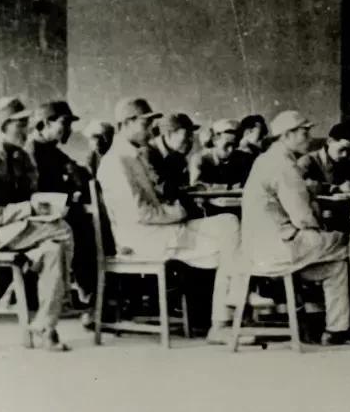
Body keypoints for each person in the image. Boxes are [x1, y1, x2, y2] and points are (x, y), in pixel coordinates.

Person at [98, 98, 242, 344]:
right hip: (144, 238)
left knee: (230, 227)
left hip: (158, 230)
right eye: (145, 124)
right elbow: (141, 213)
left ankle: (225, 313)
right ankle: (223, 319)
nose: (151, 130)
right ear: (126, 123)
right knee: (231, 238)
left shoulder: (133, 156)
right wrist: (180, 212)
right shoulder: (116, 161)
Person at [0, 97, 76, 350]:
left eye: (26, 123)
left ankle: (46, 326)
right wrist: (29, 208)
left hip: (13, 228)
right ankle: (64, 298)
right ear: (1, 127)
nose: (26, 129)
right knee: (62, 230)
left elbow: (29, 197)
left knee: (54, 249)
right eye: (20, 124)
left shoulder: (21, 156)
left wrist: (44, 206)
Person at [241, 111, 350, 345]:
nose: (309, 138)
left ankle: (335, 329)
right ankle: (336, 327)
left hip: (258, 249)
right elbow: (303, 218)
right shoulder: (283, 166)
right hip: (278, 249)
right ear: (287, 135)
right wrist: (320, 228)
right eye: (305, 132)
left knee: (336, 265)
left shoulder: (266, 159)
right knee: (345, 241)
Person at [24, 101, 94, 302]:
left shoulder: (50, 150)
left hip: (55, 210)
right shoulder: (31, 151)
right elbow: (35, 191)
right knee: (83, 226)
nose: (69, 129)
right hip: (38, 216)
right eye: (65, 123)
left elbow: (78, 174)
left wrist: (76, 176)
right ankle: (87, 289)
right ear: (46, 123)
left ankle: (88, 288)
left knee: (86, 220)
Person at [147, 113, 200, 206]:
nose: (191, 140)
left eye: (191, 135)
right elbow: (157, 191)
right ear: (169, 134)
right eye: (187, 134)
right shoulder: (148, 154)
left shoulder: (178, 157)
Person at [297, 122, 350, 196]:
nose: (345, 155)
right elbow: (300, 185)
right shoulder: (307, 161)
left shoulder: (348, 163)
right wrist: (336, 188)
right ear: (329, 141)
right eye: (342, 149)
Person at [190, 119, 254, 188]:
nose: (231, 150)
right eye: (227, 145)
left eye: (235, 146)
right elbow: (196, 186)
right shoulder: (200, 159)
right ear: (214, 141)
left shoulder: (244, 159)